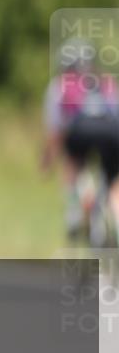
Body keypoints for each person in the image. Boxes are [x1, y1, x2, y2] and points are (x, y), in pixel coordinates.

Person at [42, 38, 119, 242]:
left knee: (73, 163)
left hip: (80, 129)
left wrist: (47, 160)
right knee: (113, 185)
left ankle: (74, 211)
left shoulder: (60, 85)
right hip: (112, 131)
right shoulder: (107, 82)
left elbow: (55, 131)